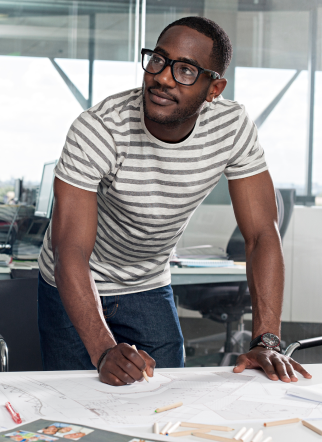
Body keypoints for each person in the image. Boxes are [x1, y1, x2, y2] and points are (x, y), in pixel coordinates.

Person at [37, 16, 312, 386]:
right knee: (78, 402)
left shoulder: (232, 127)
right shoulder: (99, 128)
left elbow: (263, 234)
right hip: (73, 281)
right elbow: (70, 248)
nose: (163, 77)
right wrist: (104, 350)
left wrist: (267, 340)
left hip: (148, 282)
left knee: (165, 403)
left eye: (185, 70)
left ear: (214, 89)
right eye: (158, 60)